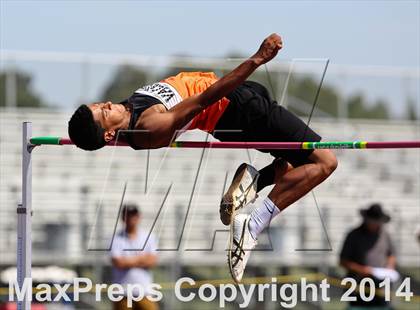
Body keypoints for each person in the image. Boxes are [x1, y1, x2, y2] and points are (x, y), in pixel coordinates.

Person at [68, 33, 338, 282]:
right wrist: (258, 59)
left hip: (234, 103)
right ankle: (252, 225)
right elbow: (205, 98)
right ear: (108, 135)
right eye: (102, 113)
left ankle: (255, 181)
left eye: (98, 105)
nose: (105, 105)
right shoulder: (149, 128)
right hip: (234, 107)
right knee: (324, 163)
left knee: (291, 165)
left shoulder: (125, 111)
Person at [340, 203, 398, 310]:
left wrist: (389, 267)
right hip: (358, 285)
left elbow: (391, 255)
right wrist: (362, 270)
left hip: (380, 286)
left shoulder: (385, 235)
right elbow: (343, 261)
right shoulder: (353, 235)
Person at [110, 204, 159, 310]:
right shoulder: (116, 239)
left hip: (144, 291)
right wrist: (141, 258)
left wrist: (128, 261)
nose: (131, 218)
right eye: (128, 215)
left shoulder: (148, 237)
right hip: (122, 292)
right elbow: (118, 263)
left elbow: (152, 260)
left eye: (134, 215)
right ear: (123, 218)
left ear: (139, 217)